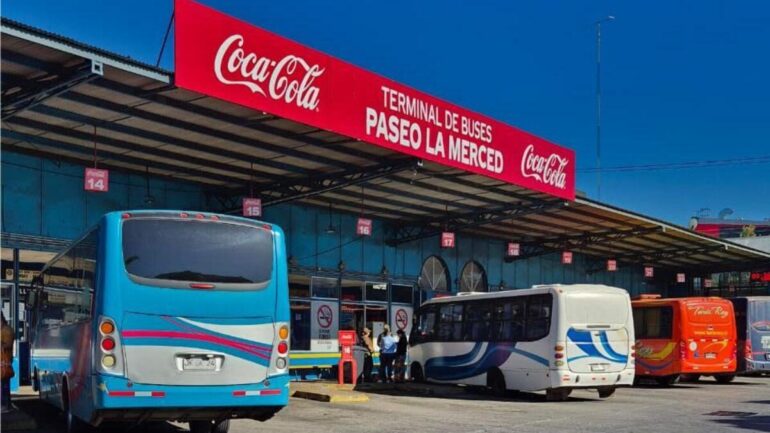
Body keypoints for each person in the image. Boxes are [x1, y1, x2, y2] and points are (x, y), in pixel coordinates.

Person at [1, 314, 14, 412]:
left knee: (4, 385)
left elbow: (8, 344)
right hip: (3, 363)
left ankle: (5, 405)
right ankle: (6, 404)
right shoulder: (3, 330)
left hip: (4, 363)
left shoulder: (7, 330)